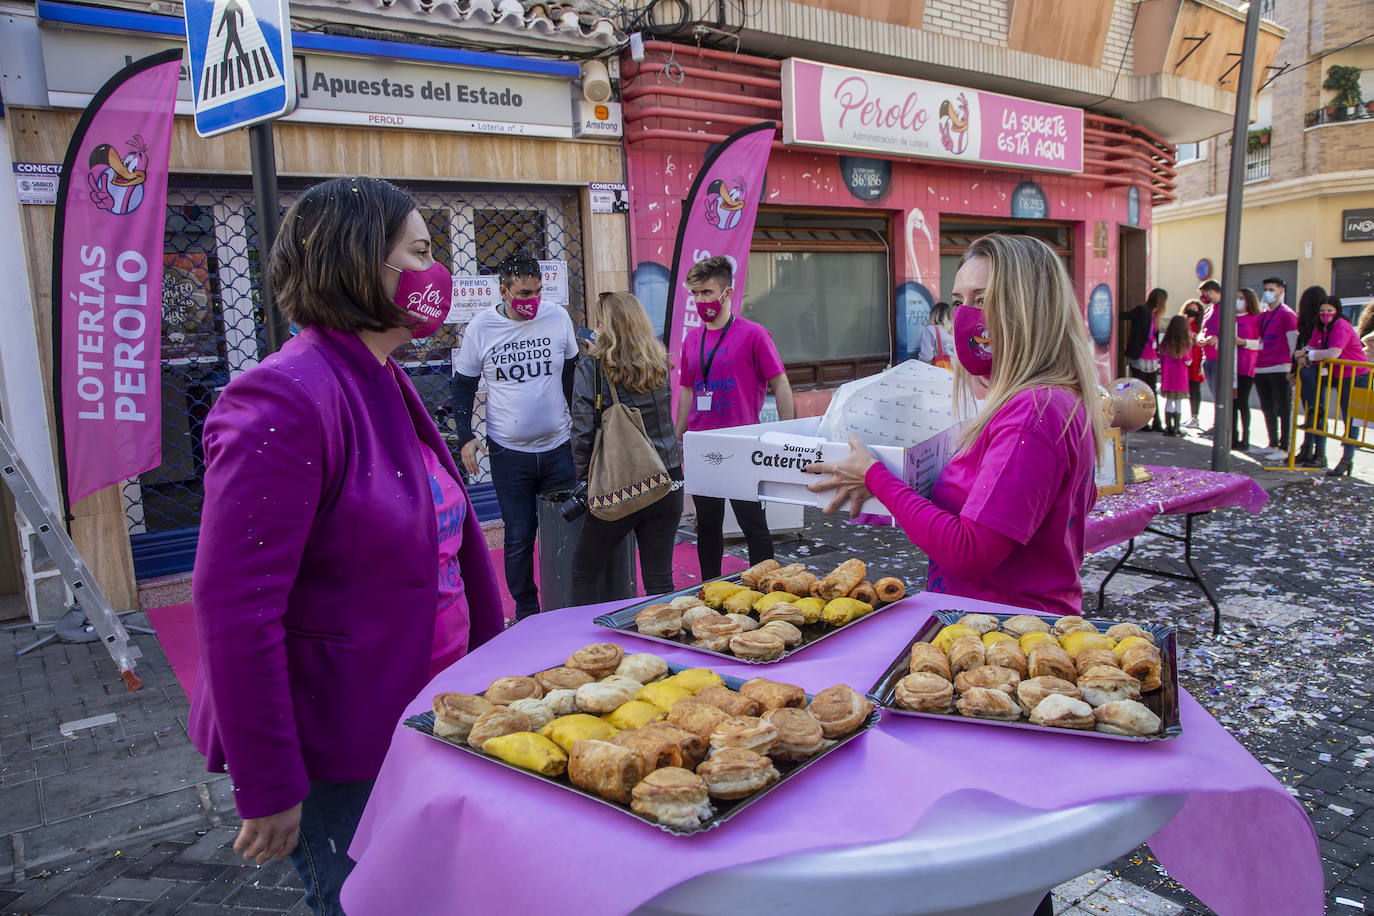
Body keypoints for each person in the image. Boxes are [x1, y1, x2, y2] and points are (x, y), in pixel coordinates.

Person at [189, 177, 503, 916]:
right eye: (420, 251)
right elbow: (236, 609)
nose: (436, 273)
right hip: (345, 741)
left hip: (428, 709)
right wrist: (268, 785)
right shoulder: (285, 396)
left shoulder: (381, 376)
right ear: (359, 260)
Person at [805, 234, 1104, 616]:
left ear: (1030, 308)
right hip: (989, 626)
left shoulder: (1032, 412)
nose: (965, 315)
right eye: (960, 301)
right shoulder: (1050, 399)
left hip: (1003, 639)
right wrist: (892, 488)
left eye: (983, 300)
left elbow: (969, 552)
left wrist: (877, 478)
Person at [452, 255, 580, 620]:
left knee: (569, 530)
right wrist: (465, 436)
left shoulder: (557, 317)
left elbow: (571, 374)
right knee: (520, 535)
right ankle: (527, 611)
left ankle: (571, 602)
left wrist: (583, 428)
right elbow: (462, 386)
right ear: (504, 290)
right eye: (524, 292)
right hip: (509, 454)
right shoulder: (481, 327)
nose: (533, 300)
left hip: (558, 447)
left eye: (538, 291)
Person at [675, 255, 796, 580]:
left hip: (742, 445)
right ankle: (709, 589)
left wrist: (789, 434)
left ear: (726, 293)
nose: (701, 301)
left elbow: (780, 382)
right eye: (696, 294)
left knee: (753, 524)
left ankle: (765, 586)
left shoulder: (753, 334)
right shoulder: (691, 339)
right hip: (702, 445)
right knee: (708, 526)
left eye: (708, 293)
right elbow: (687, 390)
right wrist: (678, 436)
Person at [569, 292, 683, 604]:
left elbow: (581, 433)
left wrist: (586, 480)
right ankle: (665, 643)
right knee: (660, 579)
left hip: (621, 483)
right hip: (668, 480)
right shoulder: (658, 363)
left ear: (605, 325)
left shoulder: (591, 369)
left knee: (584, 573)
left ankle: (588, 649)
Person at [1298, 296, 1370, 477]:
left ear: (1337, 311)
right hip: (1338, 373)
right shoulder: (1321, 327)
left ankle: (1347, 458)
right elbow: (1311, 345)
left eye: (1329, 311)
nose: (1325, 314)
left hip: (1356, 374)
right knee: (1305, 373)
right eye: (1322, 311)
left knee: (1350, 418)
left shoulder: (1341, 326)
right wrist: (1303, 353)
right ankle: (1315, 411)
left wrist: (1308, 355)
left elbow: (1334, 353)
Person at [1252, 277, 1299, 462]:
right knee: (1267, 407)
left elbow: (1293, 342)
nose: (1268, 292)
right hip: (1261, 367)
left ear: (1281, 291)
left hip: (1280, 367)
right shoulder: (1262, 315)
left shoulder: (1287, 315)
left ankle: (1284, 446)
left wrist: (1292, 367)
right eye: (1266, 289)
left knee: (1283, 407)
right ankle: (1272, 442)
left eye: (1272, 289)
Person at [1120, 288, 1168, 432]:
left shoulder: (1154, 315)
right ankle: (1146, 421)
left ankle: (1154, 421)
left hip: (1150, 358)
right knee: (1143, 391)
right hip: (1141, 357)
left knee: (1148, 391)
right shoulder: (1143, 311)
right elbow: (1123, 315)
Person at [1293, 285, 1328, 467]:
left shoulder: (1318, 323)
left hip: (1316, 372)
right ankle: (1308, 449)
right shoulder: (1307, 322)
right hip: (1307, 371)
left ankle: (1319, 453)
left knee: (1316, 412)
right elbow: (1301, 344)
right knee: (1311, 412)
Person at [1233, 287, 1262, 452]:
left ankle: (1245, 437)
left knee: (1242, 402)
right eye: (1236, 298)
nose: (1238, 301)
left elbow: (1260, 343)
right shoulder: (1230, 318)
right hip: (1231, 368)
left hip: (1246, 366)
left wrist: (1244, 342)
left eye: (1242, 298)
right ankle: (1233, 436)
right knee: (1232, 403)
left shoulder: (1255, 319)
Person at [1196, 279, 1223, 438]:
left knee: (1221, 393)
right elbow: (1202, 329)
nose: (1203, 297)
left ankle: (1222, 425)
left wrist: (1217, 337)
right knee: (1214, 392)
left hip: (1220, 358)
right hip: (1208, 357)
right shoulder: (1209, 310)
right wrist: (1200, 338)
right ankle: (1216, 424)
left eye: (1204, 294)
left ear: (1211, 292)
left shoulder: (1225, 309)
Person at [1159, 315, 1193, 437]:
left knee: (1169, 401)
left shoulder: (1165, 343)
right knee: (1178, 403)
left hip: (1167, 378)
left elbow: (1161, 358)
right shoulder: (1186, 343)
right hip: (1180, 378)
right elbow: (1188, 361)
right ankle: (1177, 428)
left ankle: (1168, 427)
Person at [1181, 298, 1206, 429]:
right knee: (1186, 389)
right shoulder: (1183, 323)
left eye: (1195, 309)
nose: (1192, 311)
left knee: (1195, 388)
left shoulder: (1201, 325)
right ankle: (1186, 416)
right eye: (1189, 308)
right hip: (1184, 358)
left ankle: (1195, 416)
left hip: (1196, 358)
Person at [918, 301, 955, 369]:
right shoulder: (953, 332)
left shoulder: (930, 330)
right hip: (955, 372)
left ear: (933, 315)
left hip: (938, 373)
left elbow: (926, 357)